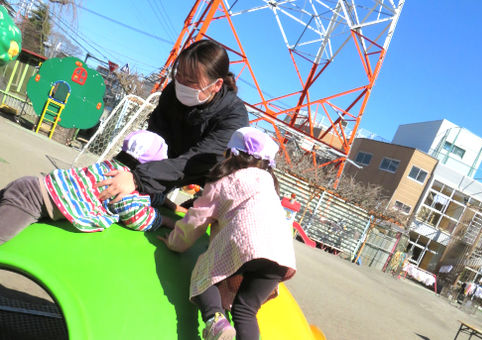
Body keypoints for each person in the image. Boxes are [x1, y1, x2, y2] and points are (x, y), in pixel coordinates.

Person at [158, 127, 297, 340]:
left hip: (245, 247)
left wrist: (175, 243)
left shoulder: (224, 181)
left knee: (204, 274)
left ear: (230, 154)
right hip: (281, 255)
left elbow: (197, 220)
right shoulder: (269, 185)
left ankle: (216, 321)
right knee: (246, 309)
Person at [96, 39, 249, 203]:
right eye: (178, 74)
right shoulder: (172, 91)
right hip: (171, 165)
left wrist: (136, 179)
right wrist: (125, 175)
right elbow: (154, 140)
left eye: (190, 81)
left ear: (217, 85)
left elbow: (196, 161)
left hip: (210, 177)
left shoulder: (234, 116)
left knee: (201, 214)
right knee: (113, 185)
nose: (181, 84)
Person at [0, 130, 174, 244]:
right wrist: (164, 220)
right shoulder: (124, 187)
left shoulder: (111, 167)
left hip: (31, 187)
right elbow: (135, 217)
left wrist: (166, 202)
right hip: (30, 200)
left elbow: (147, 194)